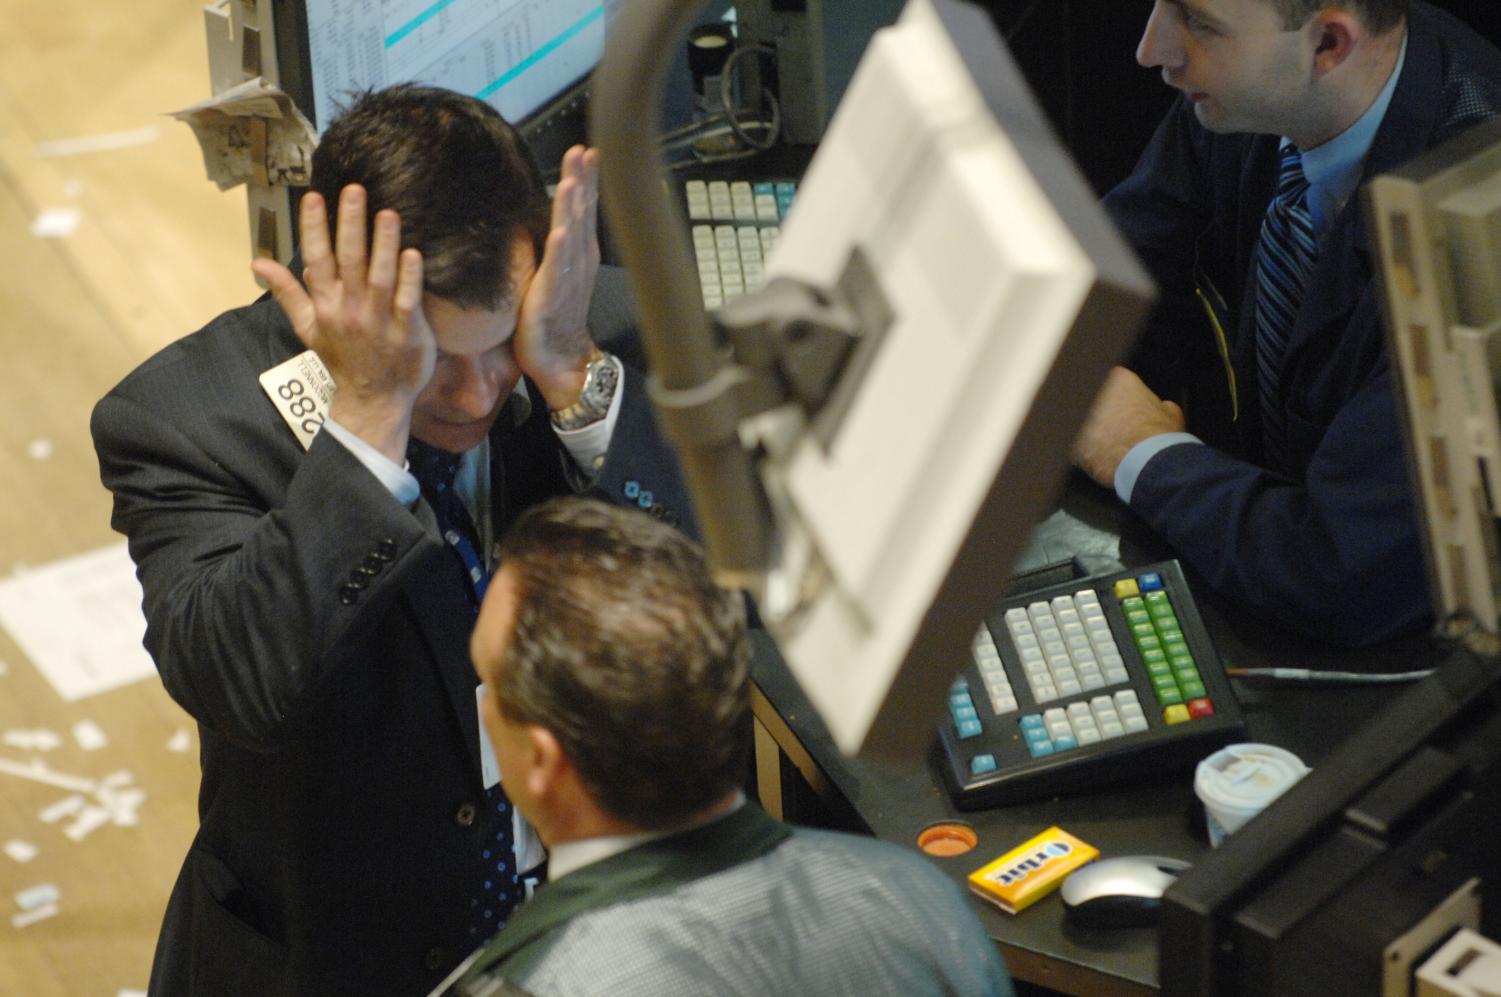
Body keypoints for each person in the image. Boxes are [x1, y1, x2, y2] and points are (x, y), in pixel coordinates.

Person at [90, 84, 692, 996]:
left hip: (594, 937)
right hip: (337, 959)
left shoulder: (587, 329)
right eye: (435, 361)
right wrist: (371, 414)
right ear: (334, 284)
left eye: (503, 344)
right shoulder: (185, 419)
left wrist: (569, 370)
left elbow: (741, 597)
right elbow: (237, 684)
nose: (481, 392)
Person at [433, 496, 1014, 997]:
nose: (483, 703)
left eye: (488, 679)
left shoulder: (529, 983)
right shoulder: (919, 903)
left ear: (541, 761)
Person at [1072, 0, 1501, 646]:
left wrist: (1135, 450)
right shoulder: (1255, 91)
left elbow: (1337, 569)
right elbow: (1117, 280)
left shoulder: (1472, 248)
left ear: (1328, 42)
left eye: (1195, 22)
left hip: (1411, 655)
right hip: (1256, 538)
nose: (1151, 48)